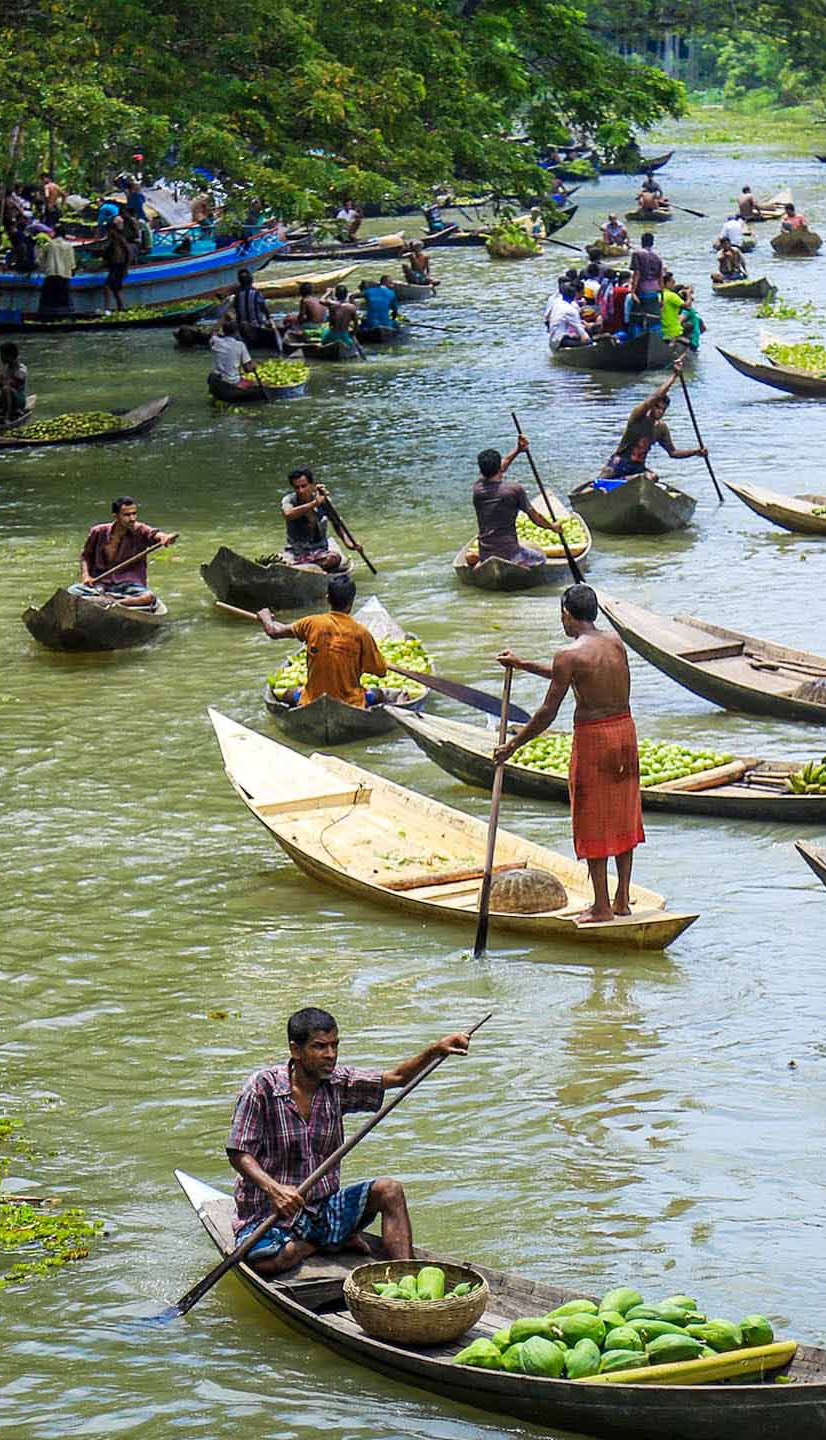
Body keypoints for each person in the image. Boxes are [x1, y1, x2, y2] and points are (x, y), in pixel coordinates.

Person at [225, 1006, 472, 1274]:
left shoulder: (338, 1083)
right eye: (320, 1047)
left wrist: (436, 1049)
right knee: (266, 1263)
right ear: (296, 1050)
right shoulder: (262, 1087)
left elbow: (397, 1078)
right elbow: (239, 1152)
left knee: (390, 1190)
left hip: (321, 1210)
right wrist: (275, 1189)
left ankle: (407, 1274)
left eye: (334, 1046)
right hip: (269, 1214)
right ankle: (316, 1244)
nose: (330, 1055)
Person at [493, 584, 645, 923]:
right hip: (625, 732)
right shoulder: (614, 642)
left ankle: (602, 907)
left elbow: (548, 712)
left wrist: (512, 746)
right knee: (622, 813)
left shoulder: (570, 655)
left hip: (595, 738)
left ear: (566, 614)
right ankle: (622, 900)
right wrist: (522, 664)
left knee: (592, 817)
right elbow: (573, 674)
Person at [255, 573, 386, 709]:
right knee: (379, 693)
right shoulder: (361, 633)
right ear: (352, 601)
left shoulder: (312, 623)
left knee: (288, 693)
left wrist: (266, 618)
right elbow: (381, 671)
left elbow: (274, 632)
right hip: (350, 702)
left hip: (312, 700)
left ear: (328, 598)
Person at [466, 437, 564, 567]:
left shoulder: (478, 488)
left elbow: (502, 465)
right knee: (541, 558)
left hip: (485, 552)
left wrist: (518, 450)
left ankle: (479, 558)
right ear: (499, 468)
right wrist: (552, 527)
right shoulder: (514, 490)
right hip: (511, 554)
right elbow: (535, 518)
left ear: (481, 470)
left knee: (484, 554)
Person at [600, 361, 702, 479]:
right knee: (601, 480)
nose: (660, 412)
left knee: (653, 477)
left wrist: (696, 452)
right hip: (619, 464)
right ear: (652, 406)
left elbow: (673, 453)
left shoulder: (661, 429)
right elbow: (656, 396)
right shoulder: (638, 416)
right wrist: (674, 376)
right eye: (657, 407)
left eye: (663, 409)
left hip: (638, 468)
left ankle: (626, 482)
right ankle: (617, 483)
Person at [76, 496, 176, 606]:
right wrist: (86, 576)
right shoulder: (98, 531)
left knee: (149, 597)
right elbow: (86, 556)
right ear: (116, 516)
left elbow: (154, 534)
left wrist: (165, 537)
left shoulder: (140, 530)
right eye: (127, 515)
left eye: (134, 513)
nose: (132, 518)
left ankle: (116, 603)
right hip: (101, 583)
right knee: (73, 591)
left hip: (129, 585)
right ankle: (107, 601)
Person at [278, 468, 348, 572]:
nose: (301, 490)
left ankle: (303, 567)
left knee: (333, 558)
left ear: (311, 485)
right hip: (295, 551)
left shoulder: (324, 501)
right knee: (279, 561)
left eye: (304, 486)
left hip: (319, 551)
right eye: (297, 487)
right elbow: (288, 514)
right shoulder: (289, 500)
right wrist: (314, 503)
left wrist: (350, 544)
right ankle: (301, 566)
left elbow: (337, 523)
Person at [208, 319, 260, 401]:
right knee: (255, 384)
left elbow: (213, 332)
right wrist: (254, 366)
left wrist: (221, 319)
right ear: (236, 332)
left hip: (217, 381)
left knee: (211, 375)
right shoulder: (240, 345)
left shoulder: (215, 341)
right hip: (232, 382)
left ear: (223, 331)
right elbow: (247, 369)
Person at [37, 225, 78, 313]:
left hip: (51, 275)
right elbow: (72, 263)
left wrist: (44, 268)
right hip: (64, 275)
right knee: (64, 299)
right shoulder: (68, 246)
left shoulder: (48, 245)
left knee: (47, 300)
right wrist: (72, 270)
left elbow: (40, 261)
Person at [0, 343, 30, 423]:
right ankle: (4, 410)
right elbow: (0, 385)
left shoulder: (21, 369)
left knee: (7, 389)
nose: (1, 358)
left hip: (18, 400)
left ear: (10, 355)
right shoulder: (6, 368)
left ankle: (7, 417)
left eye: (3, 355)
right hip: (5, 399)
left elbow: (8, 385)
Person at [101, 217, 136, 312]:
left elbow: (129, 252)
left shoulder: (118, 239)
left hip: (118, 266)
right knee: (116, 289)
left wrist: (126, 267)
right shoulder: (113, 240)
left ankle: (107, 309)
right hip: (115, 266)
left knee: (107, 287)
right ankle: (121, 309)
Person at [544, 279, 590, 349]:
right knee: (588, 340)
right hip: (560, 341)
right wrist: (589, 340)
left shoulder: (556, 303)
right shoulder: (571, 309)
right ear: (575, 294)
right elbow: (582, 332)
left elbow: (547, 318)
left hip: (553, 338)